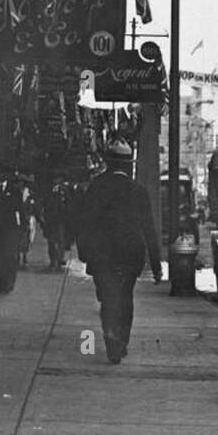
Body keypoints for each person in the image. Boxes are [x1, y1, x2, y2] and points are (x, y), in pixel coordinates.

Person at [77, 135, 163, 364]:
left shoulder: (96, 188)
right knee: (125, 299)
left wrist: (84, 254)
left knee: (107, 300)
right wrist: (156, 265)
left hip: (102, 256)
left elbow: (83, 223)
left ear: (108, 162)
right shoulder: (138, 191)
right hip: (130, 257)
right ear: (129, 165)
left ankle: (111, 342)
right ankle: (121, 342)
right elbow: (149, 230)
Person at [0, 171, 27, 294]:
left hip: (10, 230)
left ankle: (9, 283)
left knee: (9, 257)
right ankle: (0, 283)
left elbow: (20, 210)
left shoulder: (14, 191)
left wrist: (22, 228)